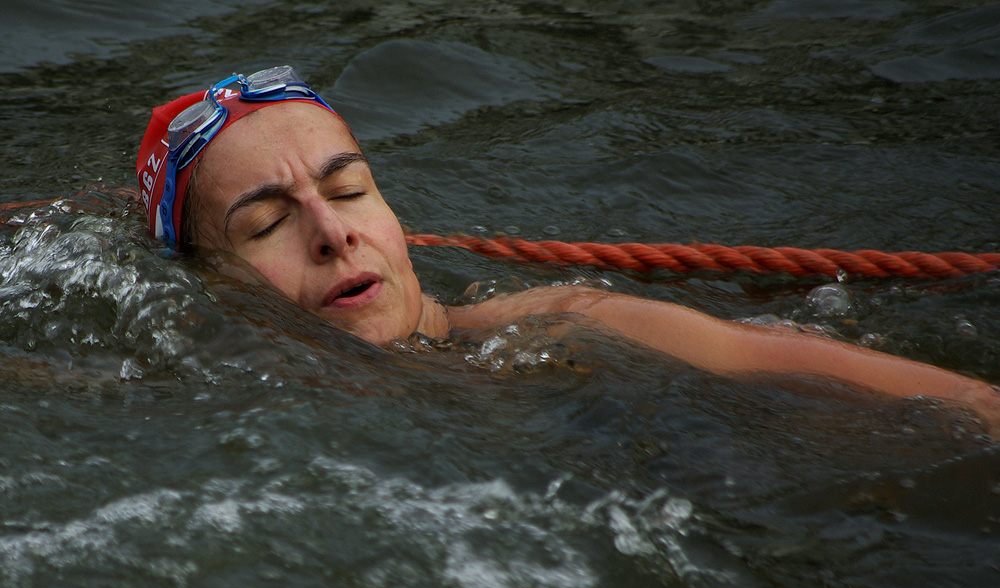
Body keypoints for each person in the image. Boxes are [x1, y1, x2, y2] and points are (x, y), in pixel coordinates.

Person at [137, 66, 1000, 434]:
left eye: (351, 187)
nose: (333, 231)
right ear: (207, 283)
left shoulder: (568, 326)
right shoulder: (188, 398)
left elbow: (952, 404)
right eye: (265, 224)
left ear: (396, 215)